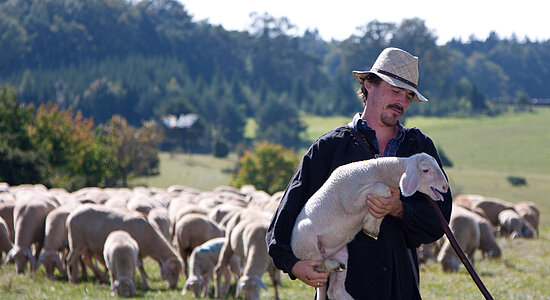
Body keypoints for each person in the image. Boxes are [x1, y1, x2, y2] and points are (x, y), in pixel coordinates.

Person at [265, 47, 453, 299]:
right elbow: (286, 214)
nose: (401, 102)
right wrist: (292, 264)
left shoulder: (418, 149)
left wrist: (398, 208)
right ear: (369, 85)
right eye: (395, 90)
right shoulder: (331, 147)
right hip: (342, 285)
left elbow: (439, 218)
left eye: (408, 96)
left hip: (398, 284)